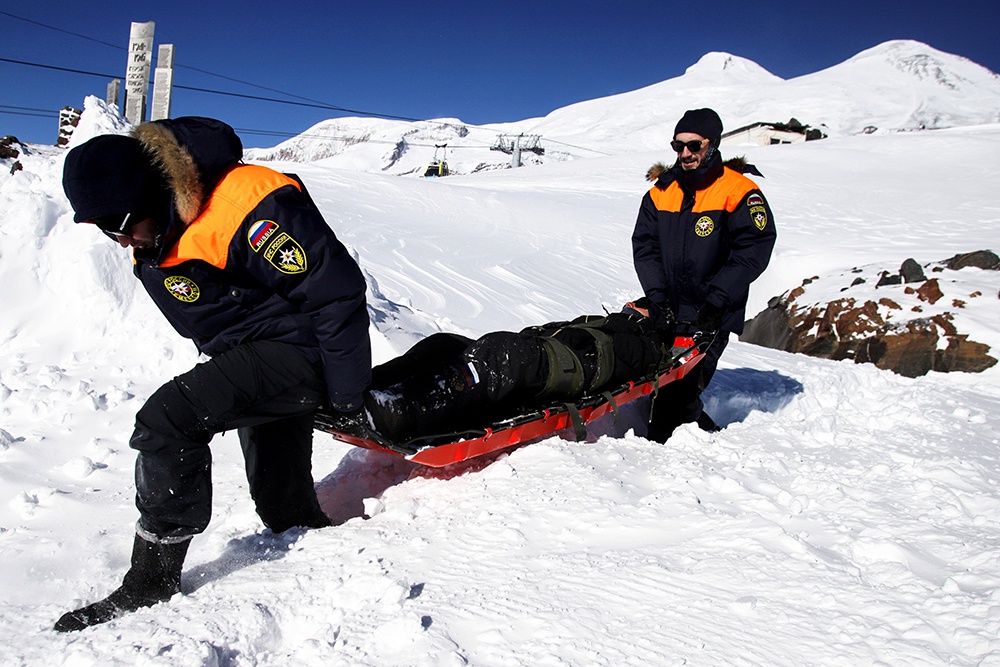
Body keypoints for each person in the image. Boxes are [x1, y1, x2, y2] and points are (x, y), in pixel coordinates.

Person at [55, 117, 371, 632]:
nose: (118, 239)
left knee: (168, 420)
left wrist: (347, 395)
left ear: (150, 194)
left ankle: (151, 580)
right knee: (279, 501)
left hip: (301, 349)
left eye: (120, 223)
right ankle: (309, 539)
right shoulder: (157, 223)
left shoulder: (245, 207)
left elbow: (333, 293)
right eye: (102, 228)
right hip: (257, 349)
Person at [325, 302, 673, 446]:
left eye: (636, 305)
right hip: (542, 354)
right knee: (445, 344)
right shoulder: (605, 320)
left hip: (571, 371)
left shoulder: (643, 341)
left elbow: (618, 364)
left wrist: (638, 328)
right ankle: (355, 393)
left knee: (497, 356)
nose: (628, 305)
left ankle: (394, 413)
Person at [631, 108, 776, 442]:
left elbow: (754, 247)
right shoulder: (660, 192)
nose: (685, 153)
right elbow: (645, 246)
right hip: (668, 310)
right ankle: (691, 430)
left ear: (712, 144)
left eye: (693, 145)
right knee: (656, 387)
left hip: (713, 311)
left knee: (676, 396)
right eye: (678, 146)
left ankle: (690, 450)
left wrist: (718, 298)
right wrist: (658, 297)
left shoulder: (738, 190)